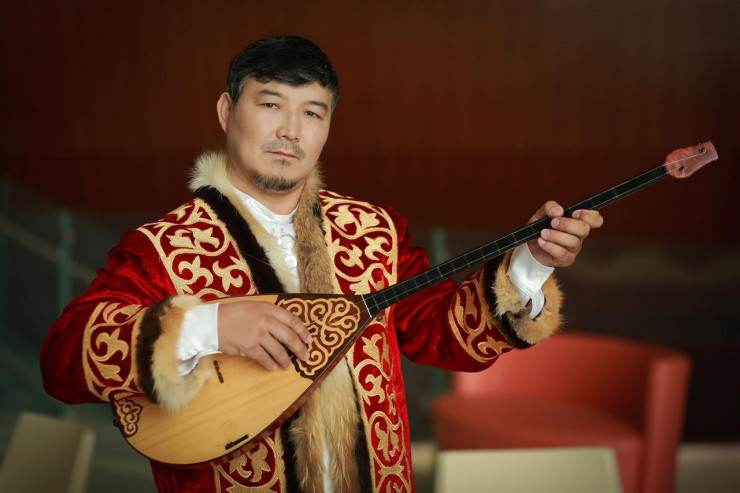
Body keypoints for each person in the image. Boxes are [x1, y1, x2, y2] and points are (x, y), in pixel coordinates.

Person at [40, 36, 603, 493]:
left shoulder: (375, 232)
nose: (291, 130)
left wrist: (529, 264)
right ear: (227, 110)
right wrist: (208, 324)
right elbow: (63, 359)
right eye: (270, 105)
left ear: (328, 126)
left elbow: (442, 334)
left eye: (312, 112)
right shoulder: (164, 246)